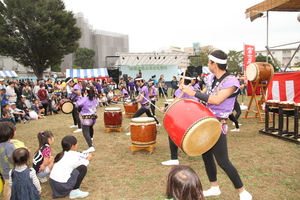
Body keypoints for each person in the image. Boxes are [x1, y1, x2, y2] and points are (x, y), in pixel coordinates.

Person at [180, 50, 252, 200]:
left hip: (218, 124)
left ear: (215, 64)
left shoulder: (231, 81)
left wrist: (193, 93)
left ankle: (242, 191)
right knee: (206, 157)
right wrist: (188, 90)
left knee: (223, 161)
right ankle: (214, 187)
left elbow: (217, 99)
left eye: (209, 62)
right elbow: (207, 94)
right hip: (206, 121)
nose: (207, 65)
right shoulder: (212, 78)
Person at [161, 72, 198, 166]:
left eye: (180, 78)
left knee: (172, 133)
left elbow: (174, 102)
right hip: (193, 115)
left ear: (183, 79)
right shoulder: (191, 88)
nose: (178, 80)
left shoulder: (182, 89)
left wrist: (164, 109)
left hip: (184, 115)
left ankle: (174, 158)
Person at [76, 86, 98, 153]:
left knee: (85, 132)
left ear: (86, 91)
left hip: (86, 118)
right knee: (90, 128)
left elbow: (77, 105)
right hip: (93, 118)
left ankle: (91, 146)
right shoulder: (95, 99)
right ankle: (91, 139)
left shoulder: (84, 99)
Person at [0, 121, 16, 200]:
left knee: (7, 187)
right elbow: (14, 159)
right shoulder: (10, 146)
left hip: (4, 171)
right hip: (11, 172)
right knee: (10, 190)